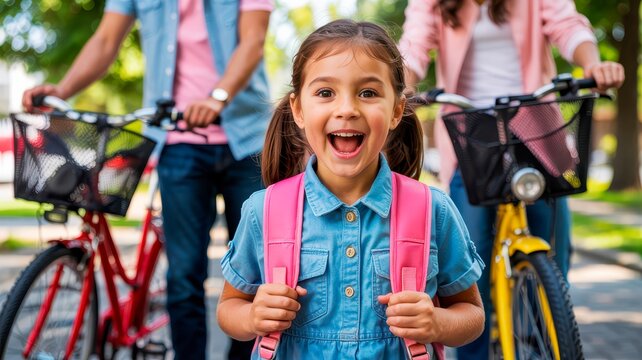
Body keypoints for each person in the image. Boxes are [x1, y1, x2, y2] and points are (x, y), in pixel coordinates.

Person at [216, 19, 486, 359]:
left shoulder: (433, 209)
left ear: (396, 110)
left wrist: (436, 322)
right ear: (298, 109)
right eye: (326, 92)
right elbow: (229, 308)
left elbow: (471, 315)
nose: (347, 109)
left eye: (368, 93)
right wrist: (253, 316)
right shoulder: (264, 210)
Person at [22, 0, 274, 359]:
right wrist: (62, 90)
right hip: (178, 141)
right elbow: (107, 40)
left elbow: (253, 42)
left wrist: (217, 97)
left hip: (247, 139)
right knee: (183, 277)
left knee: (256, 273)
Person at [398, 0, 625, 358]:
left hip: (533, 123)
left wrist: (593, 63)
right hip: (471, 129)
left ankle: (548, 339)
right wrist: (399, 83)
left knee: (553, 248)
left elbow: (568, 25)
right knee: (468, 268)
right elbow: (415, 43)